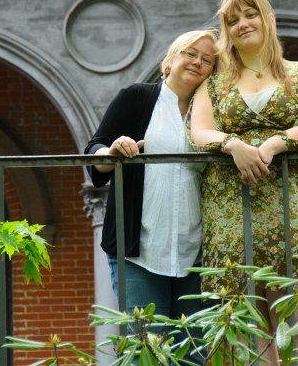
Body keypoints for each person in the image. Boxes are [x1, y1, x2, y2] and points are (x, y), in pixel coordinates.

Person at [189, 0, 298, 362]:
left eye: (250, 15)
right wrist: (233, 144)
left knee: (292, 307)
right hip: (231, 203)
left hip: (290, 199)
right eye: (232, 21)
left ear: (269, 19)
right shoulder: (215, 84)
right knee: (248, 313)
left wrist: (273, 144)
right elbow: (199, 131)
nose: (242, 25)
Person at [85, 29, 217, 324]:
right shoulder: (137, 98)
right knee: (147, 349)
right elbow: (95, 151)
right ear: (171, 59)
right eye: (190, 54)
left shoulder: (211, 113)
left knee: (192, 353)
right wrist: (113, 151)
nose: (197, 62)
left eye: (207, 59)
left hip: (195, 254)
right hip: (139, 252)